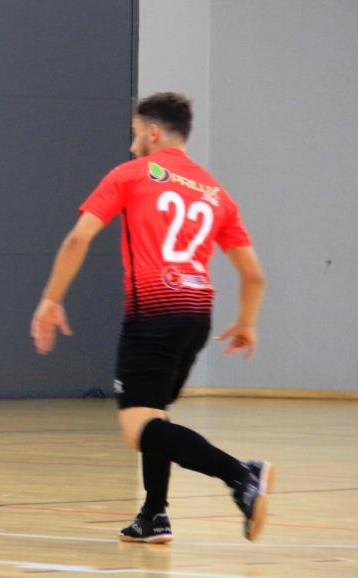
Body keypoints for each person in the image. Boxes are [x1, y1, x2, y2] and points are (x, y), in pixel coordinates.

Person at [30, 92, 272, 543]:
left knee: (138, 428)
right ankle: (154, 514)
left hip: (153, 315)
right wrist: (247, 322)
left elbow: (78, 240)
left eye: (135, 133)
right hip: (197, 315)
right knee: (154, 415)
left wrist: (51, 298)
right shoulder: (214, 190)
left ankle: (241, 474)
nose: (130, 144)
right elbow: (253, 274)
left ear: (153, 132)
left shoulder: (131, 175)